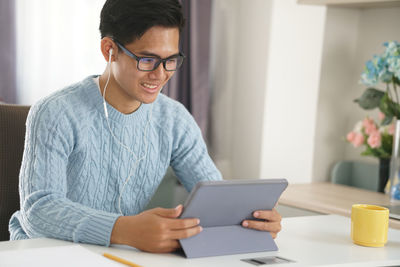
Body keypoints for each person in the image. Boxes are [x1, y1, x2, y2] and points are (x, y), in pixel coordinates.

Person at [9, 0, 282, 253]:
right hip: (43, 253)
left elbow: (216, 198)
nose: (161, 74)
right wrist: (123, 229)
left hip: (116, 253)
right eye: (147, 60)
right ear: (109, 49)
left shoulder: (174, 119)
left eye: (171, 60)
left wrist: (249, 220)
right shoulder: (56, 112)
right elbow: (39, 211)